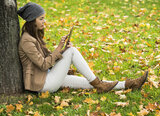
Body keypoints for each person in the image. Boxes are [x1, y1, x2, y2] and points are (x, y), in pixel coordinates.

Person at [17, 2, 148, 93]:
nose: (44, 22)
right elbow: (43, 64)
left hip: (48, 77)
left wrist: (62, 50)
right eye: (41, 19)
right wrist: (59, 49)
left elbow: (47, 60)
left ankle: (128, 84)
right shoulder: (27, 41)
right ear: (32, 20)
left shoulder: (33, 36)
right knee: (72, 51)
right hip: (43, 84)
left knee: (88, 83)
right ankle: (99, 84)